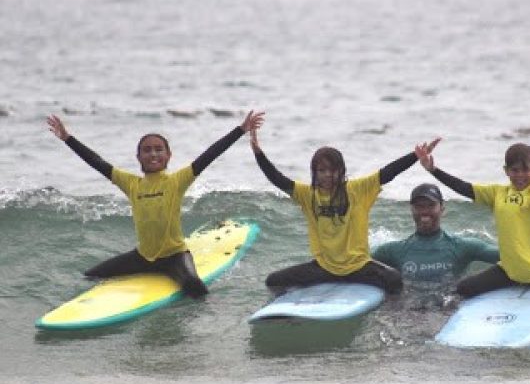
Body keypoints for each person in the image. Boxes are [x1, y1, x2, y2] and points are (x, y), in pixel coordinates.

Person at [46, 110, 264, 298]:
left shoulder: (177, 181)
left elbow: (209, 155)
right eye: (147, 150)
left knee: (195, 288)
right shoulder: (131, 184)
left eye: (159, 149)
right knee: (92, 275)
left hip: (175, 257)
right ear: (138, 157)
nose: (153, 153)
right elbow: (97, 162)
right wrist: (67, 138)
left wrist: (240, 130)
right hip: (142, 257)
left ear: (168, 156)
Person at [414, 124, 530, 313]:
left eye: (525, 170)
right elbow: (464, 188)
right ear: (506, 170)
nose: (520, 175)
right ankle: (427, 316)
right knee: (460, 289)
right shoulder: (498, 193)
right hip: (510, 272)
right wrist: (433, 170)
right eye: (514, 170)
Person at [248, 125, 441, 294]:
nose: (327, 175)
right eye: (321, 170)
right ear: (314, 172)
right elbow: (277, 179)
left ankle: (392, 312)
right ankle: (287, 308)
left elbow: (389, 172)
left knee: (393, 279)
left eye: (332, 170)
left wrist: (415, 156)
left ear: (341, 170)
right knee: (273, 281)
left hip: (358, 267)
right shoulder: (307, 194)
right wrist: (258, 153)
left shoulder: (358, 189)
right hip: (324, 268)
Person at [372, 182, 530, 289]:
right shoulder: (394, 251)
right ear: (411, 210)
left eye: (430, 206)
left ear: (442, 208)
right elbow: (362, 263)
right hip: (406, 309)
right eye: (418, 206)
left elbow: (512, 255)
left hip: (448, 305)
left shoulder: (461, 246)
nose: (424, 213)